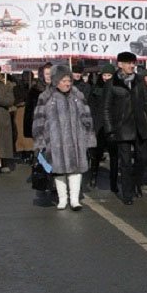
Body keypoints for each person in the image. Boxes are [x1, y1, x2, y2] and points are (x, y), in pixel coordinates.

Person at [32, 65, 96, 210]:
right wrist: (40, 141)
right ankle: (62, 199)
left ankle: (74, 200)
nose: (67, 83)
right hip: (55, 141)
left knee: (75, 169)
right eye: (64, 80)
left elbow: (87, 117)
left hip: (76, 140)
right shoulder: (46, 97)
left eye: (69, 80)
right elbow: (38, 121)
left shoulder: (77, 95)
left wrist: (88, 136)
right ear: (55, 81)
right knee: (58, 170)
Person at [103, 52, 147, 205]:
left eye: (133, 63)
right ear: (120, 64)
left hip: (140, 126)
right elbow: (106, 108)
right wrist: (109, 130)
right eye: (128, 63)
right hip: (122, 128)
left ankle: (136, 183)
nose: (132, 66)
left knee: (143, 158)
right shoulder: (112, 83)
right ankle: (127, 193)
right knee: (125, 162)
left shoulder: (140, 81)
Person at [88, 63, 118, 192]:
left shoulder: (117, 88)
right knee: (97, 153)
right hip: (99, 125)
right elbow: (91, 108)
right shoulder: (96, 89)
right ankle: (93, 176)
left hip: (113, 126)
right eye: (104, 75)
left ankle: (114, 181)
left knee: (114, 155)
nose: (106, 77)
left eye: (109, 75)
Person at [24, 63, 52, 140]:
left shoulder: (59, 89)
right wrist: (29, 130)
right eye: (47, 74)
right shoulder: (35, 91)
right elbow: (29, 111)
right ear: (42, 75)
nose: (49, 76)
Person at [13, 71, 34, 163]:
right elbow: (15, 100)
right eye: (24, 77)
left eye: (28, 77)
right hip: (21, 112)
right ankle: (22, 152)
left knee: (30, 132)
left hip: (31, 111)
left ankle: (31, 152)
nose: (26, 79)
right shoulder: (16, 88)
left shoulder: (34, 88)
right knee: (21, 132)